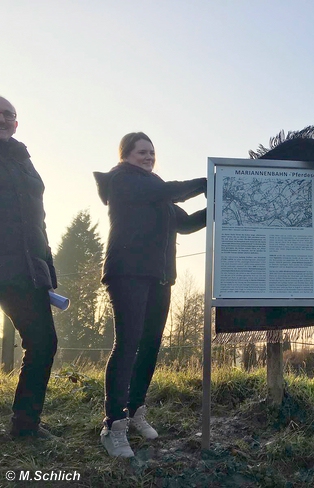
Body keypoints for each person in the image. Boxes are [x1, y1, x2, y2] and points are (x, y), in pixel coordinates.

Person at [93, 132, 207, 457]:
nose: (148, 157)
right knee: (127, 345)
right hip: (128, 273)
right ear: (125, 155)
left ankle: (135, 411)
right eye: (142, 151)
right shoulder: (122, 181)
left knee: (150, 347)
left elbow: (185, 224)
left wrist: (221, 209)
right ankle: (113, 425)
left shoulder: (158, 194)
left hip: (160, 278)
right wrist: (206, 182)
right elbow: (170, 190)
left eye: (152, 153)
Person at [0, 96, 58, 439]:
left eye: (9, 115)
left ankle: (24, 424)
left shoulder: (24, 160)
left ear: (17, 123)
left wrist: (47, 269)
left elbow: (40, 219)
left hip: (26, 269)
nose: (4, 119)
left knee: (43, 342)